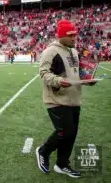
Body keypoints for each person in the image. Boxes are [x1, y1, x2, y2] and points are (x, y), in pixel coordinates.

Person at [36, 19, 96, 178]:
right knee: (64, 131)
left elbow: (77, 73)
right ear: (61, 36)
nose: (74, 38)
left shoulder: (74, 51)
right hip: (56, 99)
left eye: (75, 35)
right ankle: (43, 151)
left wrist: (87, 80)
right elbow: (43, 73)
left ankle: (62, 164)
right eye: (70, 35)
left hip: (74, 99)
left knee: (72, 133)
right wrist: (58, 81)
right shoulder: (50, 51)